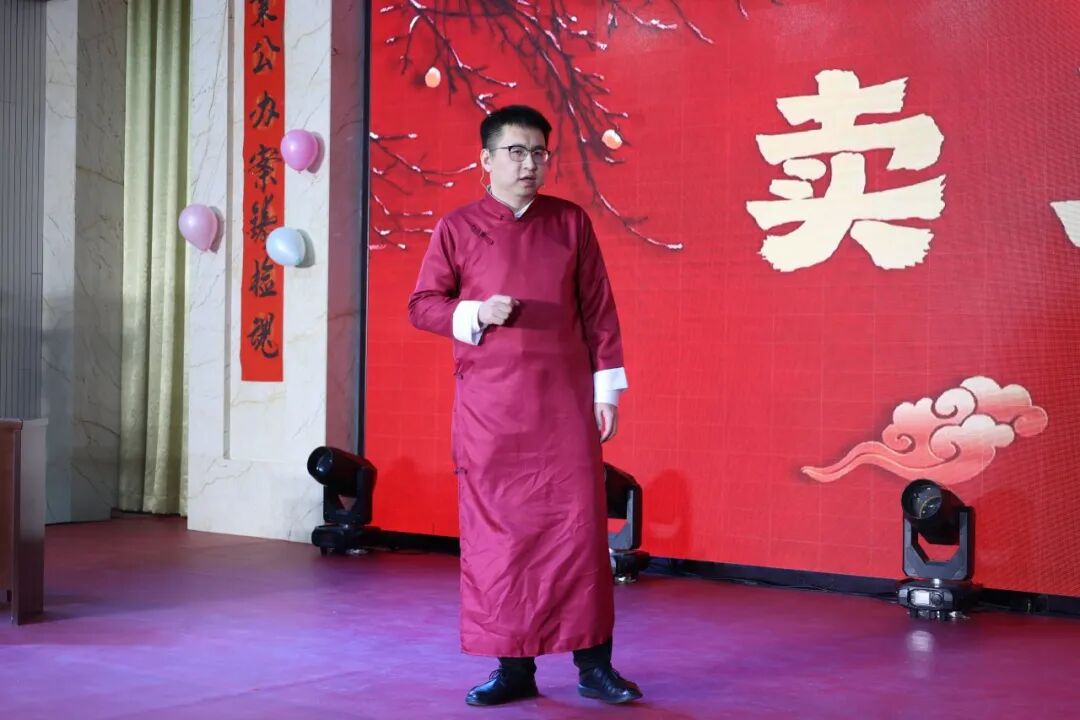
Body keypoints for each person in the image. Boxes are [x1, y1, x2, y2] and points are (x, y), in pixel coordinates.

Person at [407, 105, 642, 707]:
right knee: (500, 539)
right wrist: (475, 311)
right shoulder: (457, 227)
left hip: (563, 405)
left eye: (539, 152)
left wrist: (605, 392)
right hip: (491, 412)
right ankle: (513, 669)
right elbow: (422, 305)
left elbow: (599, 309)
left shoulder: (570, 222)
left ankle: (594, 666)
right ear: (486, 160)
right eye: (516, 151)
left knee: (578, 533)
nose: (529, 163)